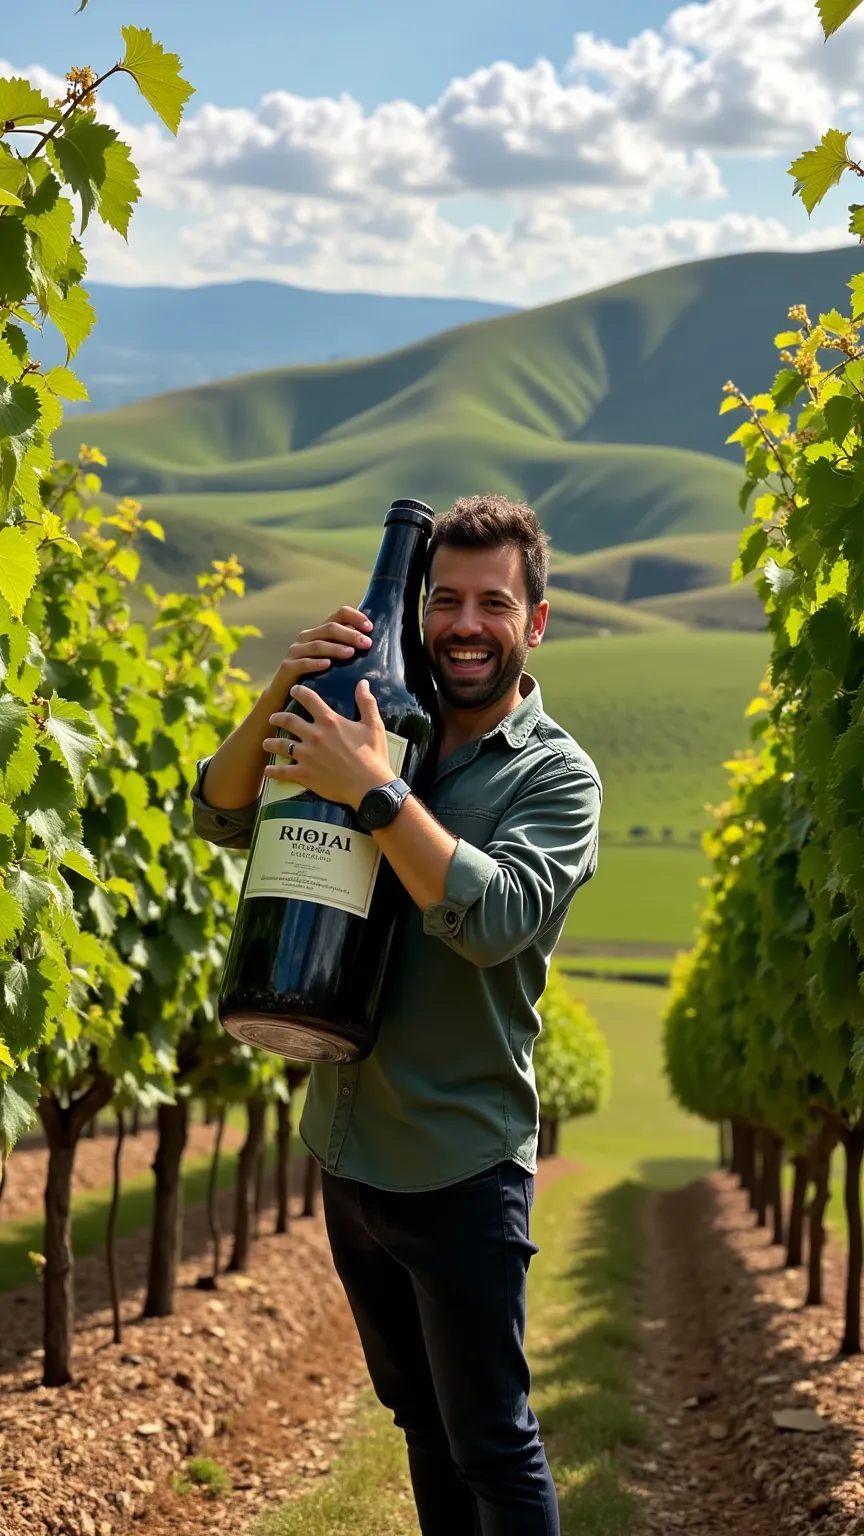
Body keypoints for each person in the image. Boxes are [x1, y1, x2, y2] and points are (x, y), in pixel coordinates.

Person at [191, 494, 602, 1536]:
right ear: (421, 609)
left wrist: (376, 793)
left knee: (493, 1444)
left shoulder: (557, 775)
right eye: (447, 599)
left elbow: (495, 915)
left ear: (535, 623)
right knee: (417, 1419)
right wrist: (289, 687)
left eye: (494, 604)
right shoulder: (377, 714)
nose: (466, 623)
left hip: (461, 1160)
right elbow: (221, 812)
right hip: (346, 1146)